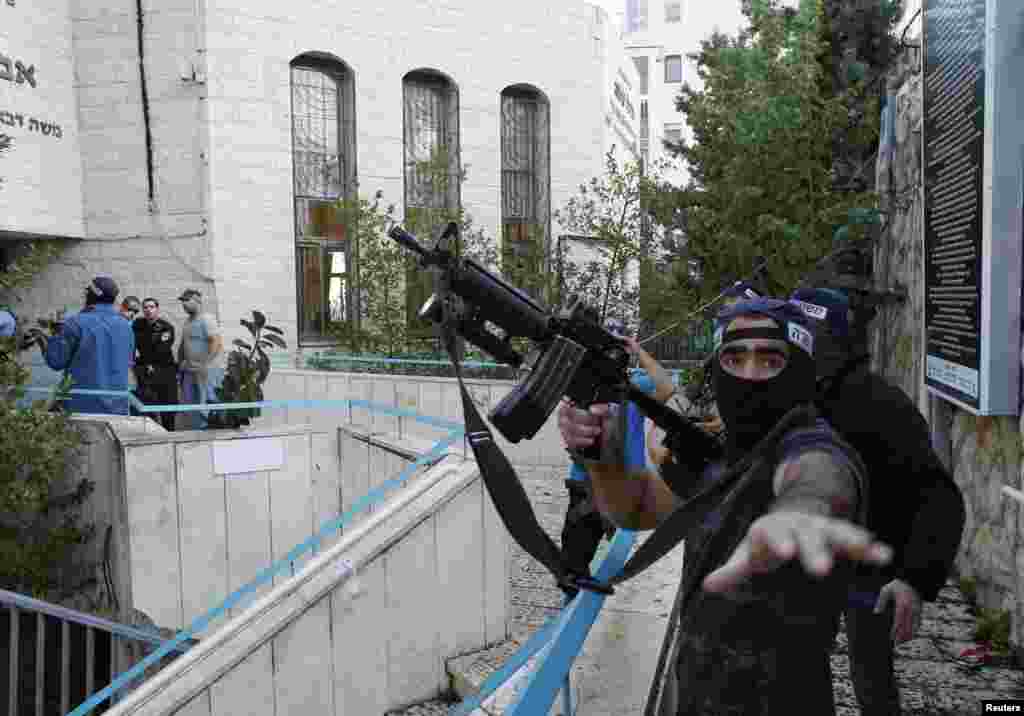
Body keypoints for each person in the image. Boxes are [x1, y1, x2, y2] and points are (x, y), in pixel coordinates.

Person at [559, 298, 892, 715]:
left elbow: (820, 481)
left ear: (801, 372)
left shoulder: (815, 446)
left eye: (770, 360)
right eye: (735, 359)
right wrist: (597, 454)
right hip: (696, 693)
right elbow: (637, 509)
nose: (750, 375)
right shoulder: (718, 453)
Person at [790, 286, 966, 716]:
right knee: (798, 668)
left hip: (869, 571)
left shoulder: (880, 405)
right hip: (803, 565)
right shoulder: (789, 397)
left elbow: (937, 495)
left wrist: (915, 577)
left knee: (871, 675)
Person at [560, 322, 675, 600]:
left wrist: (637, 350)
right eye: (607, 344)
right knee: (574, 555)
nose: (612, 352)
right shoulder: (586, 377)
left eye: (618, 345)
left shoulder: (636, 383)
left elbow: (667, 387)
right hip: (586, 480)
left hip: (626, 482)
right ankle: (569, 607)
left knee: (603, 541)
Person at [35, 277, 134, 415]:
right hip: (118, 408)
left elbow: (56, 361)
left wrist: (40, 337)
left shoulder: (76, 323)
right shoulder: (126, 326)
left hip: (79, 407)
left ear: (92, 295)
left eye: (87, 293)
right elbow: (127, 362)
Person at [176, 288, 223, 429]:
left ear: (197, 301)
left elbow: (216, 342)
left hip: (206, 372)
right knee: (192, 406)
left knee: (208, 404)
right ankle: (198, 433)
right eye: (182, 301)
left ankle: (211, 432)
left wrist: (205, 364)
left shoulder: (207, 319)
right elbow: (183, 345)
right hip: (190, 371)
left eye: (187, 300)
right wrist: (180, 364)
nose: (183, 304)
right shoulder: (187, 322)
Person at [133, 297, 178, 431]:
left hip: (164, 371)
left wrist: (146, 360)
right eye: (145, 307)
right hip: (146, 371)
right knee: (147, 407)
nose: (148, 310)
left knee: (168, 406)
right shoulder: (138, 324)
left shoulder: (166, 328)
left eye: (151, 307)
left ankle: (169, 432)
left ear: (157, 309)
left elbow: (162, 350)